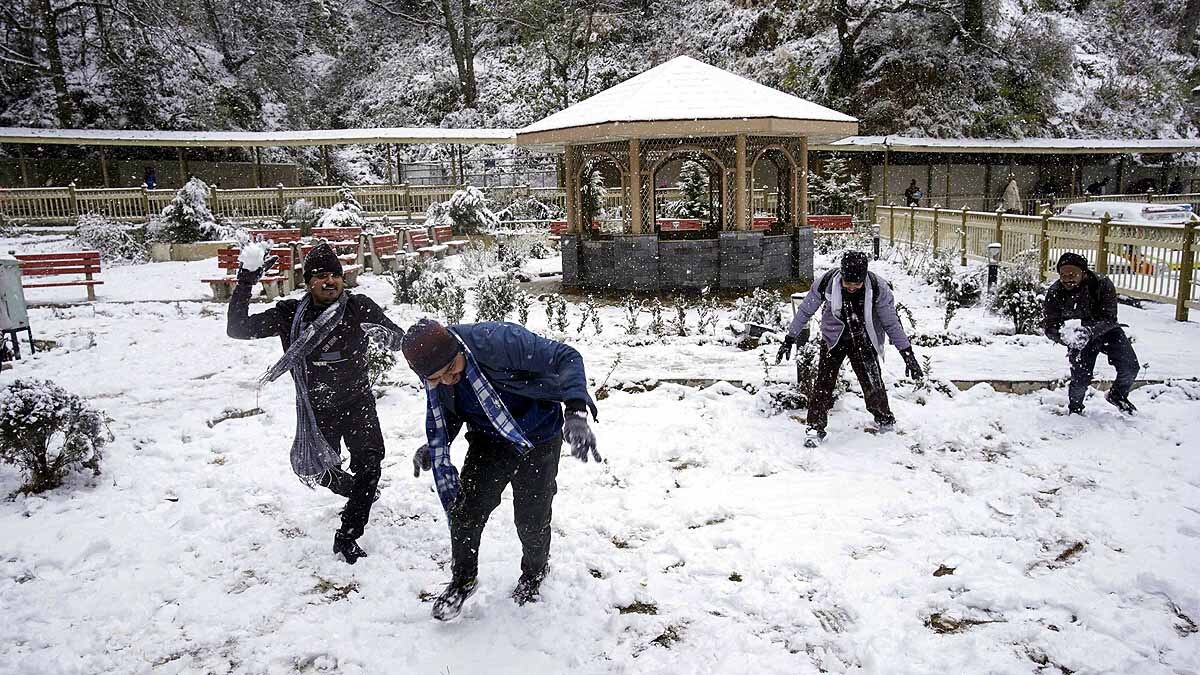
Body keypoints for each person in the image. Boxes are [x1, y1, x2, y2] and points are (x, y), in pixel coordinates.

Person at [402, 318, 600, 621]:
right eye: (436, 379)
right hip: (489, 440)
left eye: (449, 370)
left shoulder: (498, 340)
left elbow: (567, 356)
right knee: (465, 514)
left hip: (539, 436)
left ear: (457, 349)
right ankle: (463, 580)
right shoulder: (441, 377)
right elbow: (453, 410)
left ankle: (534, 573)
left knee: (531, 519)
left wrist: (575, 412)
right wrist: (435, 446)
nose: (446, 380)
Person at [227, 243, 406, 564]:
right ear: (308, 282)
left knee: (370, 465)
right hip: (316, 408)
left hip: (357, 401)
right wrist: (245, 283)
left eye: (335, 275)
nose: (329, 281)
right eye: (321, 276)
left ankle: (348, 534)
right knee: (320, 470)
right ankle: (354, 492)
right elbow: (237, 329)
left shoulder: (359, 307)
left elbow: (398, 339)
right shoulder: (289, 316)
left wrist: (385, 335)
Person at [776, 251, 922, 446]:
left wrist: (907, 353)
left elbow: (891, 323)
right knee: (823, 383)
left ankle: (885, 420)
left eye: (857, 284)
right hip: (833, 338)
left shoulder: (878, 288)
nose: (852, 288)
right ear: (842, 276)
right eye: (848, 283)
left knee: (872, 380)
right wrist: (789, 337)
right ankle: (814, 427)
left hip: (863, 336)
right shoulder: (827, 282)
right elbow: (805, 310)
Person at [1042, 252, 1139, 415]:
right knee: (1080, 379)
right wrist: (1064, 337)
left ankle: (1118, 395)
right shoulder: (1055, 292)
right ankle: (1075, 409)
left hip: (1108, 331)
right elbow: (1049, 326)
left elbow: (1110, 317)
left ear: (1084, 273)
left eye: (1072, 274)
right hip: (1078, 337)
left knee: (1130, 366)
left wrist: (1090, 331)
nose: (1067, 279)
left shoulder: (1101, 284)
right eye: (1063, 275)